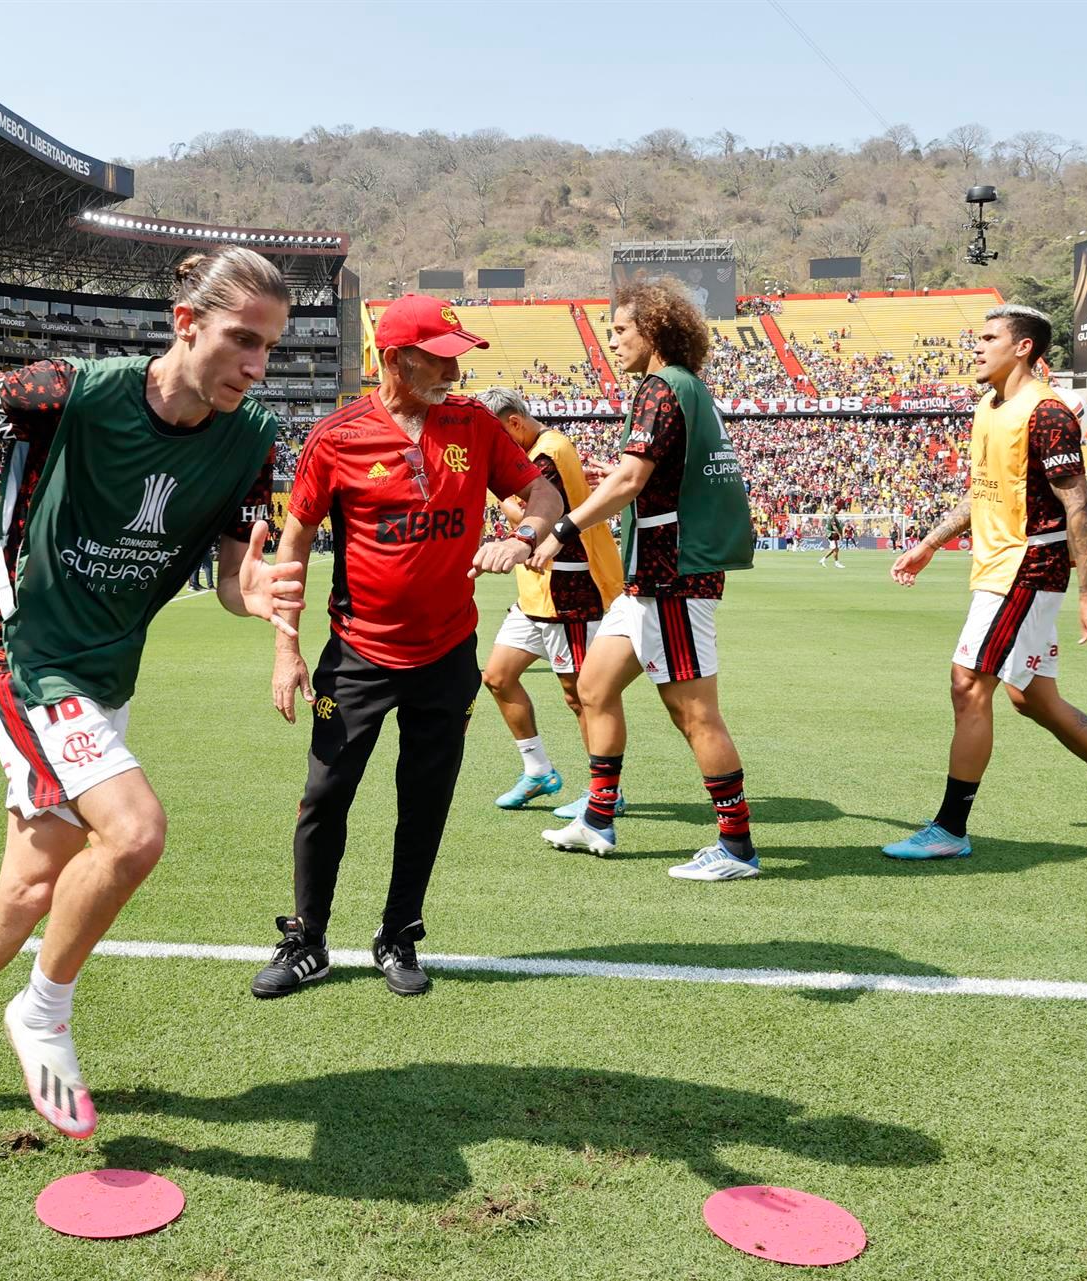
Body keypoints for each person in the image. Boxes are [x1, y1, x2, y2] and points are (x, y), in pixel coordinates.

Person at [0, 247, 301, 1141]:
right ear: (186, 323)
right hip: (23, 650)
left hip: (102, 672)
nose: (257, 365)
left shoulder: (251, 439)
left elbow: (227, 578)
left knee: (27, 890)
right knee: (132, 832)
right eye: (243, 340)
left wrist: (263, 594)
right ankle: (43, 1013)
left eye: (271, 348)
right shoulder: (76, 390)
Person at [251, 294, 560, 1001]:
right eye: (439, 358)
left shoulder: (476, 425)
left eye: (457, 357)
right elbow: (293, 546)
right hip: (356, 654)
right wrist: (285, 647)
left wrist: (524, 535)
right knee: (325, 794)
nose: (454, 370)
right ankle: (307, 939)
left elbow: (540, 494)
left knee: (424, 798)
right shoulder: (335, 438)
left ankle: (398, 933)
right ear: (394, 359)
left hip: (447, 656)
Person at [882, 305, 1087, 861]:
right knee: (1034, 699)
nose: (977, 347)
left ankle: (949, 829)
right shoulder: (986, 407)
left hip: (1026, 567)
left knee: (968, 686)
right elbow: (983, 491)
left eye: (989, 337)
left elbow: (1079, 504)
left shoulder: (1046, 412)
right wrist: (929, 543)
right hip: (999, 567)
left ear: (1022, 347)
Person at [532, 280, 760, 880]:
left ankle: (736, 846)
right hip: (651, 578)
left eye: (620, 330)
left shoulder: (662, 387)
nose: (611, 342)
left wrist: (563, 529)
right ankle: (598, 818)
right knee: (594, 686)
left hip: (672, 572)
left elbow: (632, 483)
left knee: (695, 713)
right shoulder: (684, 387)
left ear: (653, 332)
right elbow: (647, 475)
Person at [471, 388, 625, 820]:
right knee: (499, 678)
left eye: (496, 435)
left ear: (514, 423)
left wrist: (503, 501)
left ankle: (605, 792)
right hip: (535, 591)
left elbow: (543, 520)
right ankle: (538, 771)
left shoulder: (547, 453)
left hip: (570, 591)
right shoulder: (542, 450)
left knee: (581, 696)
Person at [819, 501, 845, 568]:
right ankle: (836, 563)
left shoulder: (832, 516)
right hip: (832, 534)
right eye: (836, 509)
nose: (838, 510)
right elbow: (834, 527)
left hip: (832, 534)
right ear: (833, 510)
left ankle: (823, 560)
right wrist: (839, 534)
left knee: (835, 549)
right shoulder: (832, 517)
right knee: (835, 548)